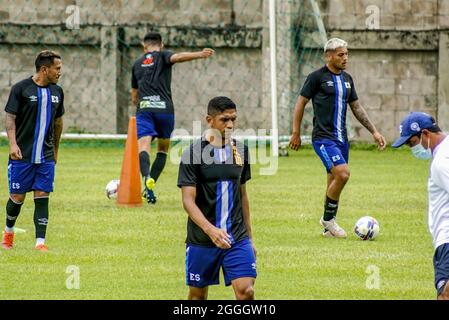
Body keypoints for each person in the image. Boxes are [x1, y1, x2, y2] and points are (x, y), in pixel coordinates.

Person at [289, 38, 386, 238]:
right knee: (343, 174)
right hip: (323, 138)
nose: (345, 58)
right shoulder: (316, 77)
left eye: (346, 54)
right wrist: (296, 132)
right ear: (329, 56)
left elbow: (357, 107)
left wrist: (374, 132)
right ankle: (328, 220)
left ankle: (328, 229)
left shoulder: (348, 79)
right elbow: (300, 103)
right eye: (341, 54)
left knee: (333, 180)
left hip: (342, 140)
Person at [177, 96, 256, 300]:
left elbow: (242, 194)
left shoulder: (241, 150)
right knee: (197, 296)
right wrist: (210, 230)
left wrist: (250, 238)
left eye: (233, 119)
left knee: (246, 291)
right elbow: (188, 201)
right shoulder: (192, 153)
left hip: (236, 237)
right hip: (202, 240)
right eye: (224, 120)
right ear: (209, 120)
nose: (230, 125)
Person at [131, 32, 215, 204]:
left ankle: (146, 176)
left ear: (143, 45)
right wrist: (199, 54)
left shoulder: (137, 63)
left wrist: (141, 101)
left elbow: (134, 94)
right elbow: (178, 57)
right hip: (165, 110)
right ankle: (149, 186)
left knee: (144, 146)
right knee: (162, 150)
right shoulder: (164, 55)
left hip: (145, 109)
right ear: (161, 44)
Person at [1, 50, 64, 252]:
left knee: (42, 195)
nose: (60, 73)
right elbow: (10, 118)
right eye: (57, 68)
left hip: (45, 155)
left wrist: (55, 151)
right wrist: (12, 144)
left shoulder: (57, 92)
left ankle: (40, 243)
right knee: (17, 197)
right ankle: (8, 233)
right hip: (22, 154)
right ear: (44, 69)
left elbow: (58, 122)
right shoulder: (21, 89)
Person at [392, 112, 449, 300]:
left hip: (446, 240)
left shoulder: (440, 163)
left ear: (425, 134)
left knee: (444, 294)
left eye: (412, 142)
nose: (412, 148)